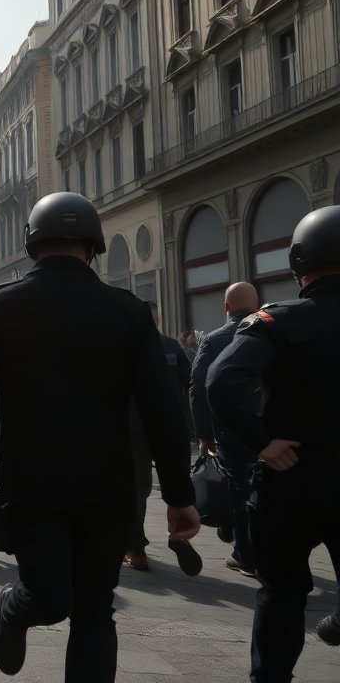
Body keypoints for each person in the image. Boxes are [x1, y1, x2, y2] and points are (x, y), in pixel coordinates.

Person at [0, 192, 200, 681]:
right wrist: (178, 494)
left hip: (33, 484)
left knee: (63, 600)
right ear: (94, 246)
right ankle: (14, 607)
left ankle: (17, 606)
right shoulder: (128, 313)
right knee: (88, 609)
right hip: (106, 487)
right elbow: (163, 411)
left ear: (31, 244)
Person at [208, 205, 340, 680]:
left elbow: (223, 379)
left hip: (291, 478)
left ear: (297, 262)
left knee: (281, 592)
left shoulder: (277, 321)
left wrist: (262, 442)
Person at [189, 282, 260, 577]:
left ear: (226, 307)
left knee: (240, 486)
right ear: (256, 306)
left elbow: (198, 387)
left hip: (228, 428)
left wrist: (204, 434)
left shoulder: (215, 339)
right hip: (267, 427)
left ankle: (244, 552)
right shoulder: (271, 333)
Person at [124, 301, 194, 572]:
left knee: (138, 488)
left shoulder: (125, 347)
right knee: (177, 484)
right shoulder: (172, 346)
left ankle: (136, 549)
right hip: (170, 428)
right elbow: (191, 381)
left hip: (136, 430)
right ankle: (180, 535)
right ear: (158, 319)